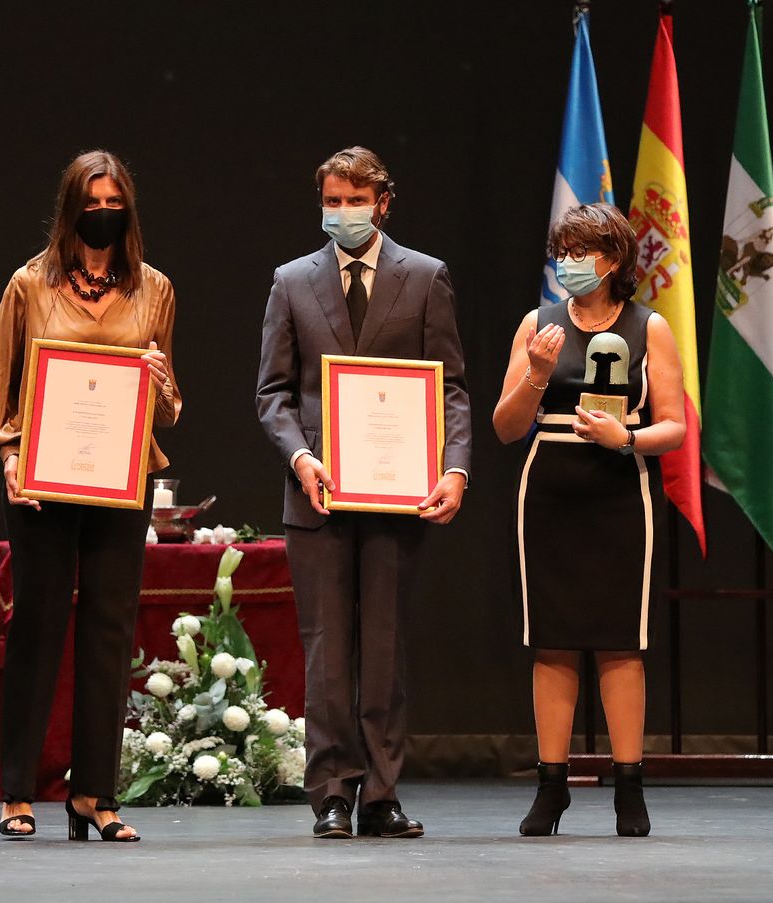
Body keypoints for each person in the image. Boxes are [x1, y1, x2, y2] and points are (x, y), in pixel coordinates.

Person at [255, 146, 472, 839]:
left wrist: (454, 468)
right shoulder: (291, 282)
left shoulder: (426, 276)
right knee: (326, 652)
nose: (342, 212)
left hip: (395, 495)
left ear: (383, 202)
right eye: (332, 200)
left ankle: (380, 792)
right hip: (317, 496)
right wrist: (301, 458)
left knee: (381, 649)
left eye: (355, 200)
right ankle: (329, 792)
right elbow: (273, 394)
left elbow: (453, 389)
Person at [0, 149, 180, 843]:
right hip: (41, 483)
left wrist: (157, 381)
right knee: (36, 627)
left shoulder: (155, 289)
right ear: (69, 208)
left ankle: (96, 791)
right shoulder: (29, 285)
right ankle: (19, 790)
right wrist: (7, 454)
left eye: (112, 199)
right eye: (89, 201)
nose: (102, 211)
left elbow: (171, 405)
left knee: (108, 631)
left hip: (122, 482)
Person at [492, 203, 686, 837]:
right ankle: (553, 786)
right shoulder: (537, 324)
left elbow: (675, 426)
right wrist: (537, 378)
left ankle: (630, 787)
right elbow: (505, 426)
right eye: (563, 251)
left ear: (615, 260)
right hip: (548, 486)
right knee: (551, 640)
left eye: (582, 252)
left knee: (619, 641)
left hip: (618, 488)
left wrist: (624, 438)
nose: (569, 263)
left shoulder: (647, 326)